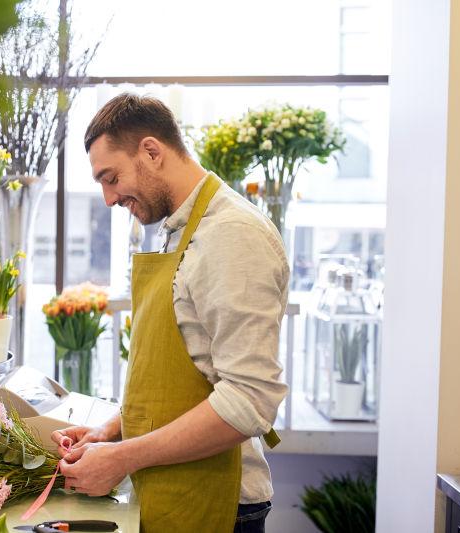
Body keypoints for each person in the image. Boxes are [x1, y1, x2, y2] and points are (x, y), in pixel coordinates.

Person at [51, 94, 289, 533]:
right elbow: (186, 373)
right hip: (174, 489)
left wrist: (122, 457)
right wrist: (112, 431)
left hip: (218, 502)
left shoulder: (231, 235)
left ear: (152, 152)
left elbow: (250, 400)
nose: (107, 198)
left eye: (112, 177)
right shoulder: (182, 229)